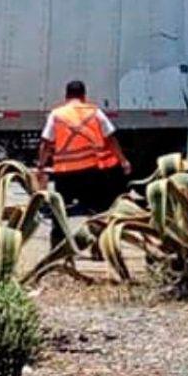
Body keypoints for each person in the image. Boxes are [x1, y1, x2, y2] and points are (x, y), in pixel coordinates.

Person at [36, 80, 131, 249]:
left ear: (66, 96)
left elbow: (46, 143)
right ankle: (99, 247)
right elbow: (110, 138)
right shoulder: (94, 112)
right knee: (97, 210)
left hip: (64, 172)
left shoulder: (57, 115)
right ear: (84, 96)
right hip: (91, 170)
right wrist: (123, 160)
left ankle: (56, 247)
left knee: (60, 211)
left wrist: (41, 166)